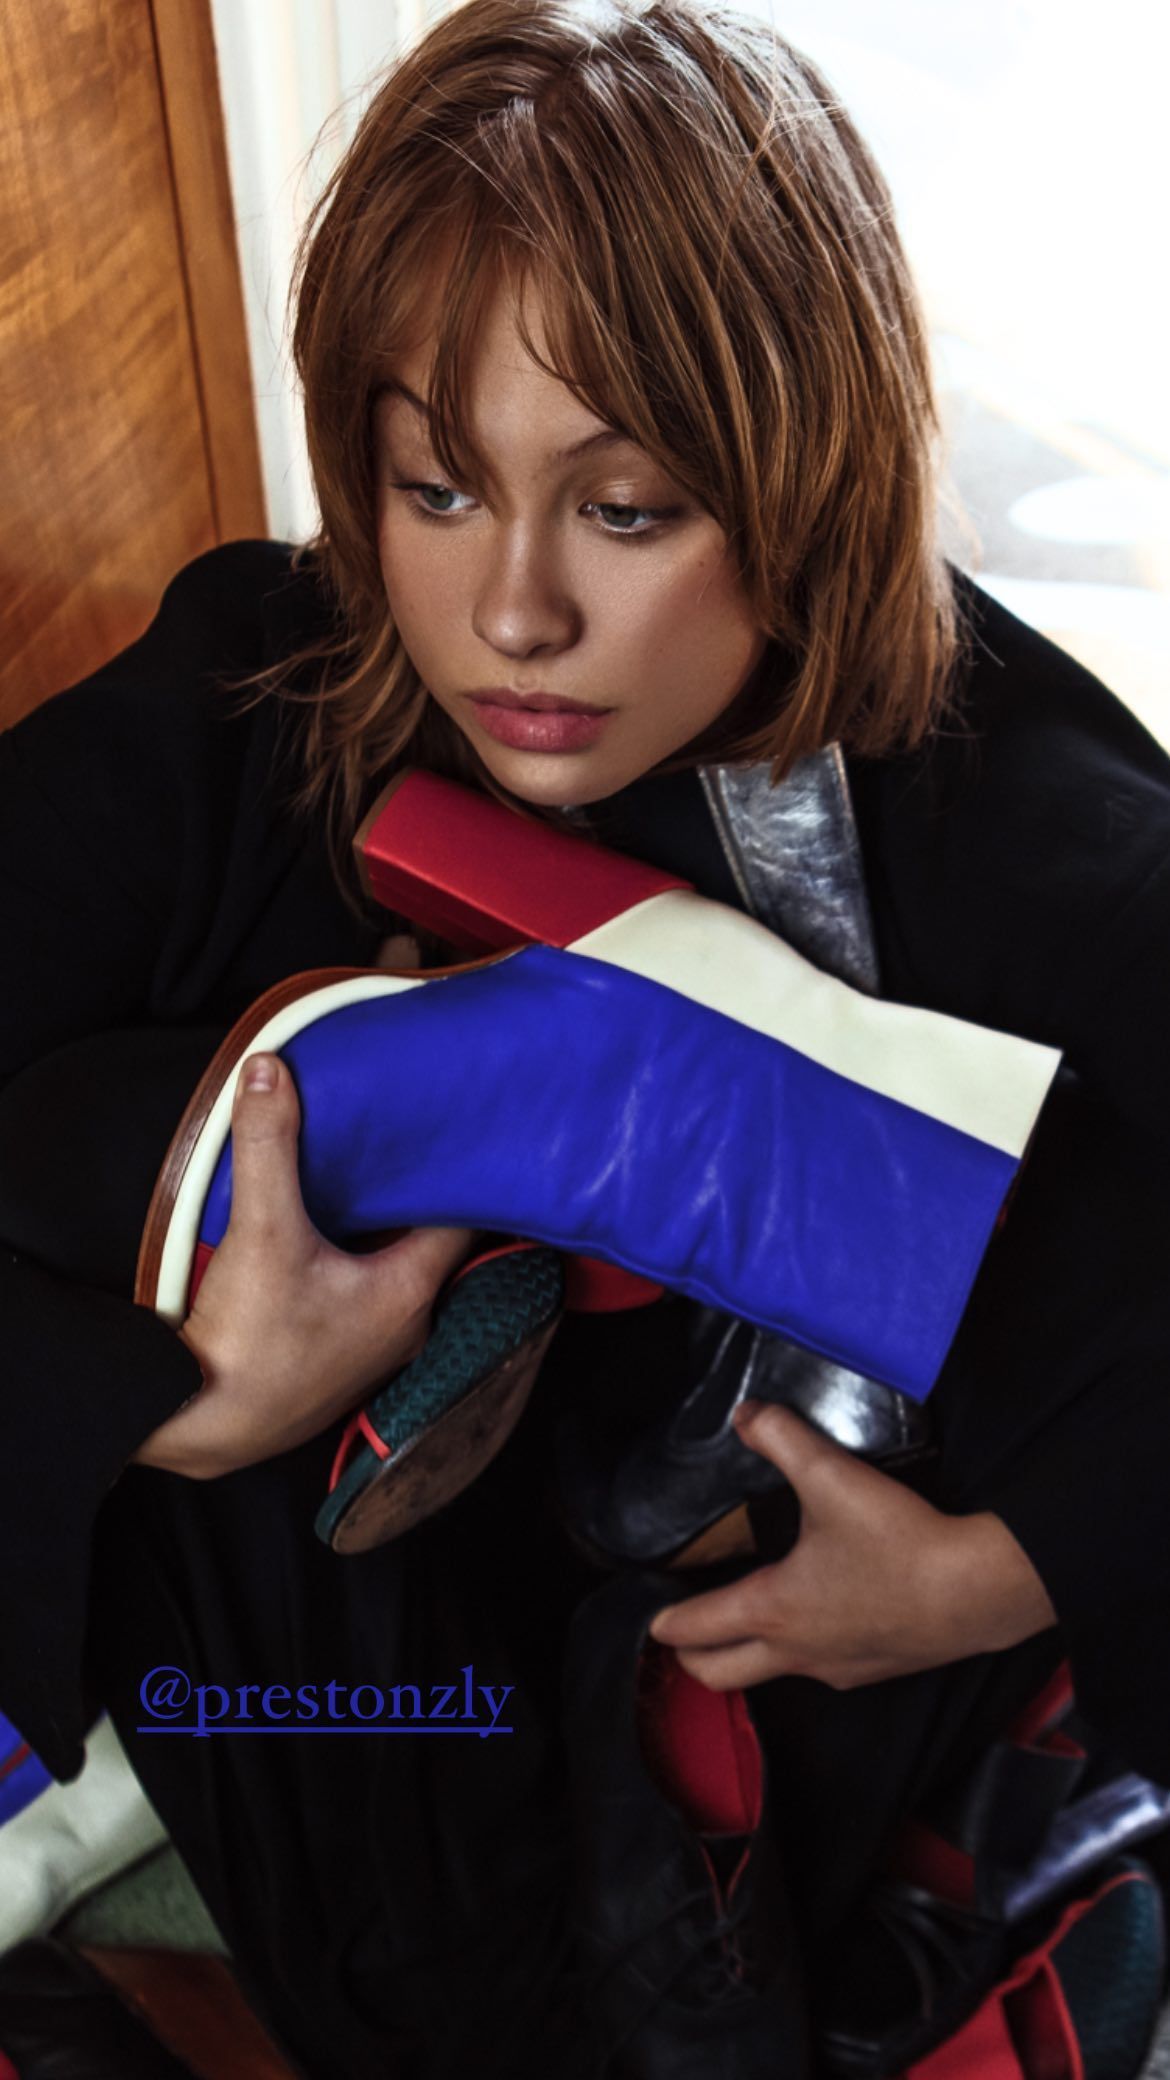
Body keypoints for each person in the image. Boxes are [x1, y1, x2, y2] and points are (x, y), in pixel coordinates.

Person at [1, 0, 1169, 2073]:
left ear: (801, 477)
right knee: (112, 1130)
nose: (513, 613)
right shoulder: (259, 693)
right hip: (343, 1682)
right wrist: (176, 1402)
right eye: (437, 489)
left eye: (626, 510)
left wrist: (996, 1579)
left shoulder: (1021, 814)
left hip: (795, 1665)